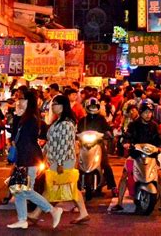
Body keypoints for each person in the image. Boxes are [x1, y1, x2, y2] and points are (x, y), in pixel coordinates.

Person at [7, 91, 63, 229]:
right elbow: (14, 138)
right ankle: (22, 220)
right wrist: (16, 118)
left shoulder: (31, 119)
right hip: (23, 158)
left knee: (26, 190)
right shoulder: (23, 117)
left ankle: (52, 210)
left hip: (29, 158)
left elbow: (26, 140)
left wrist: (18, 119)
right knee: (18, 190)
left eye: (21, 99)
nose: (18, 101)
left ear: (28, 101)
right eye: (17, 99)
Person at [30, 94, 89, 224]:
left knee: (53, 186)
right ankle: (83, 213)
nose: (53, 106)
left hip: (62, 161)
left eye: (55, 104)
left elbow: (64, 144)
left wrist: (60, 163)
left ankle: (36, 213)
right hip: (56, 160)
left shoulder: (66, 123)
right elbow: (52, 142)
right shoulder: (59, 121)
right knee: (66, 186)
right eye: (53, 104)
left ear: (63, 106)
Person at [111, 100, 161, 213]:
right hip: (135, 155)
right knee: (125, 175)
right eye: (145, 112)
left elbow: (159, 138)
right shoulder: (133, 124)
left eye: (150, 112)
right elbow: (127, 136)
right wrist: (126, 143)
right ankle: (119, 203)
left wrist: (160, 145)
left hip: (151, 156)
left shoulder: (154, 125)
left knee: (159, 176)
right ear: (141, 112)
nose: (148, 114)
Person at [77, 97, 117, 196]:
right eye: (91, 106)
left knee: (105, 164)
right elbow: (78, 131)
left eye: (95, 106)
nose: (93, 108)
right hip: (85, 146)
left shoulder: (101, 119)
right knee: (78, 164)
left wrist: (108, 134)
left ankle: (113, 187)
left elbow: (107, 130)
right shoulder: (83, 120)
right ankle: (76, 185)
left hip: (98, 145)